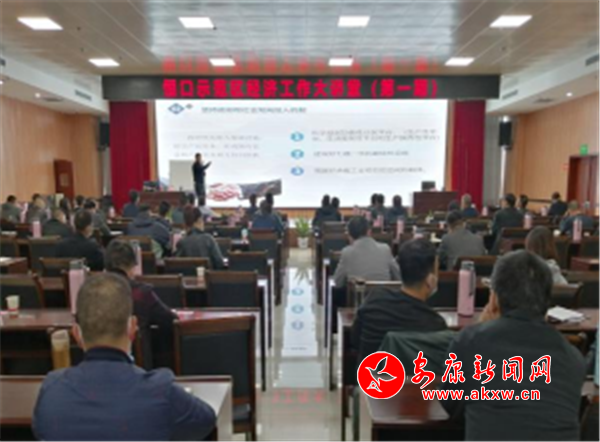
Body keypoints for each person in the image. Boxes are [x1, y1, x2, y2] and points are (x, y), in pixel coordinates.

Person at [32, 273, 216, 441]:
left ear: (76, 334)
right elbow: (206, 420)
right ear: (133, 328)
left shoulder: (51, 390)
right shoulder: (160, 391)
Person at [440, 250, 585, 441]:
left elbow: (450, 403)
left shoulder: (470, 341)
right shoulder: (573, 358)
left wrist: (479, 328)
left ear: (494, 298)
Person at [351, 239, 447, 361]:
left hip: (369, 373)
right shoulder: (435, 324)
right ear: (430, 280)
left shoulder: (374, 299)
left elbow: (354, 340)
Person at [105, 240, 178, 366]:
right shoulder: (141, 293)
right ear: (132, 266)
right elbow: (170, 320)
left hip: (101, 365)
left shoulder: (92, 292)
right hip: (138, 366)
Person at [333, 216, 400, 288]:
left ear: (349, 235)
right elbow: (398, 276)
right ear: (369, 232)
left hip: (359, 294)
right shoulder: (385, 249)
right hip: (385, 294)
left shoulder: (347, 252)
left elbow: (338, 282)